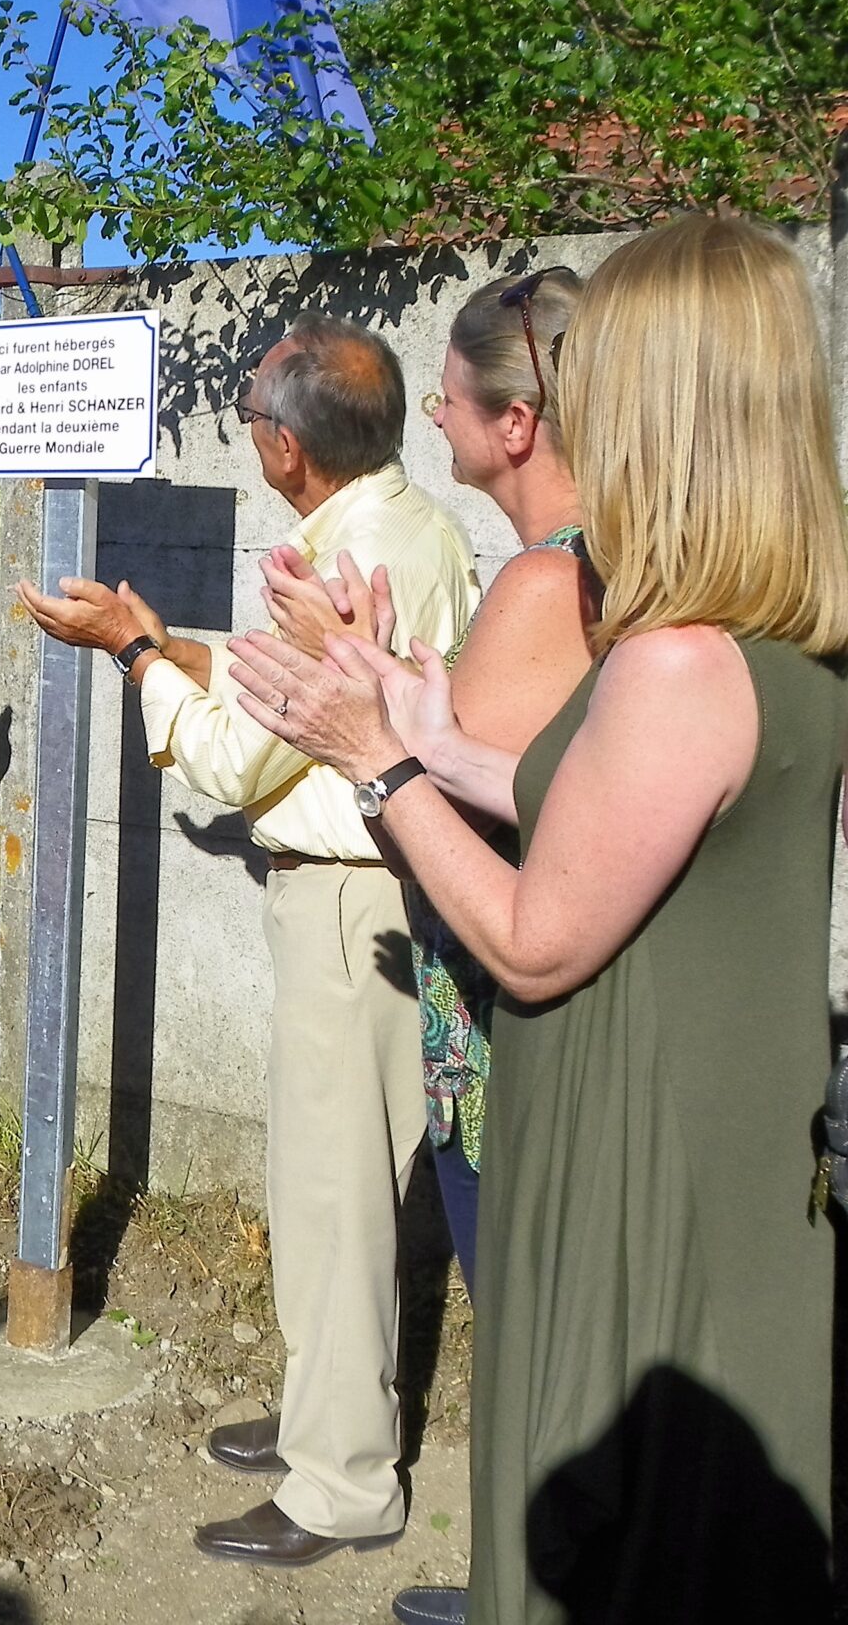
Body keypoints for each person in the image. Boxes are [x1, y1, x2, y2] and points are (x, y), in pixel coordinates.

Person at [227, 215, 844, 1624]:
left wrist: (366, 758)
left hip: (636, 1164)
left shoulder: (677, 656)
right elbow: (615, 809)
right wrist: (418, 717)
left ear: (665, 401)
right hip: (732, 1147)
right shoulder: (788, 628)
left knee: (604, 1536)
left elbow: (532, 933)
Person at [17, 315, 479, 1568]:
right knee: (323, 1181)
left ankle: (341, 1483)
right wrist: (170, 641)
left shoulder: (338, 566)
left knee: (332, 1195)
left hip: (346, 896)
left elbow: (229, 758)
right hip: (375, 886)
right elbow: (264, 686)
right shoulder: (409, 528)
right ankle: (326, 1412)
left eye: (255, 423)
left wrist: (130, 654)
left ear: (284, 446)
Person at [259, 268, 594, 1297]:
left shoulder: (543, 581)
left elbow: (446, 820)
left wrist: (356, 708)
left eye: (449, 394)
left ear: (517, 421)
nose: (433, 413)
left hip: (497, 1005)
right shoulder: (586, 558)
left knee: (512, 1286)